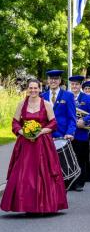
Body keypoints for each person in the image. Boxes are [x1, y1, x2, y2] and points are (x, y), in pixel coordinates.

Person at [1, 79, 68, 213]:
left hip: (42, 143)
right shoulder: (21, 104)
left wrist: (39, 132)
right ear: (27, 89)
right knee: (24, 172)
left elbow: (53, 123)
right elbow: (15, 123)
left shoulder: (47, 104)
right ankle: (24, 204)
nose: (33, 90)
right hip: (25, 144)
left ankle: (44, 205)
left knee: (43, 171)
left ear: (40, 89)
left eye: (35, 88)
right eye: (30, 88)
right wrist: (23, 132)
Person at [69, 75, 90, 191]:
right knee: (69, 158)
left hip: (81, 134)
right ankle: (70, 182)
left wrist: (84, 120)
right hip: (68, 133)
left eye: (76, 84)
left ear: (80, 85)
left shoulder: (86, 98)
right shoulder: (67, 97)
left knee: (80, 159)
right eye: (72, 84)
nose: (74, 86)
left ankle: (79, 183)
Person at [41, 70, 76, 141]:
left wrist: (70, 132)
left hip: (63, 135)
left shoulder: (68, 95)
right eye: (51, 78)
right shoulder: (42, 96)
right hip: (46, 135)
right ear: (48, 80)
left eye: (56, 79)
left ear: (60, 80)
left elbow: (72, 117)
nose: (53, 81)